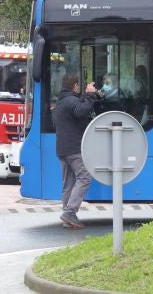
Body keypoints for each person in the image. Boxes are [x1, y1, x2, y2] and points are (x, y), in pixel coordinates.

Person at [52, 74, 99, 229]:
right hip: (74, 148)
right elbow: (81, 111)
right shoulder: (71, 101)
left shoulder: (60, 102)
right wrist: (90, 95)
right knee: (85, 178)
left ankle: (68, 216)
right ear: (75, 86)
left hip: (62, 149)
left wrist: (86, 96)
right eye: (78, 86)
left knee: (68, 184)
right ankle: (70, 212)